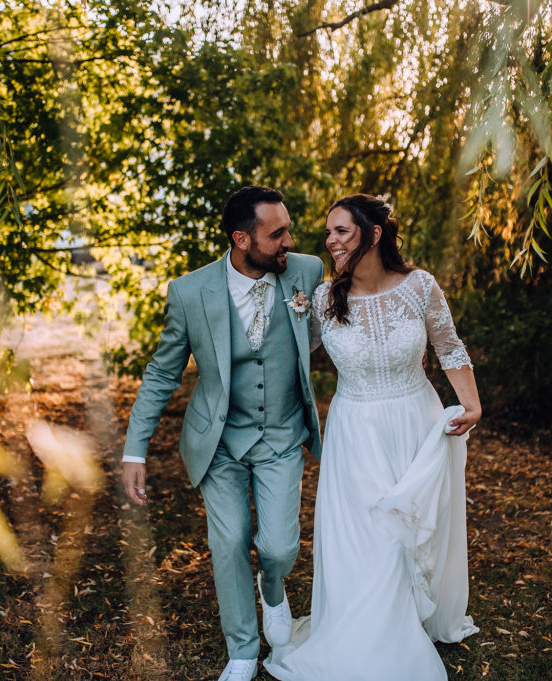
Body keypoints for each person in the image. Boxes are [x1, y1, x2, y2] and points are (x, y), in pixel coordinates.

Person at [264, 194, 482, 681]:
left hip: (416, 420)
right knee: (372, 538)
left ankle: (412, 614)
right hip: (355, 430)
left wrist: (472, 402)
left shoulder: (420, 287)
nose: (331, 241)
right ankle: (372, 633)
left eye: (342, 231)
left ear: (374, 233)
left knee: (413, 532)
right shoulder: (322, 298)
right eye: (328, 233)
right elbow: (288, 352)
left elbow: (448, 345)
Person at [120, 186, 325, 681]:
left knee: (279, 546)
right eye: (277, 234)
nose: (288, 241)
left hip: (280, 435)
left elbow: (329, 329)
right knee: (229, 541)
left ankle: (272, 588)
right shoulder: (190, 292)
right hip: (219, 443)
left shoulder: (306, 272)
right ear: (241, 238)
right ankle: (241, 650)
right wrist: (134, 450)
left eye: (288, 229)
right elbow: (163, 373)